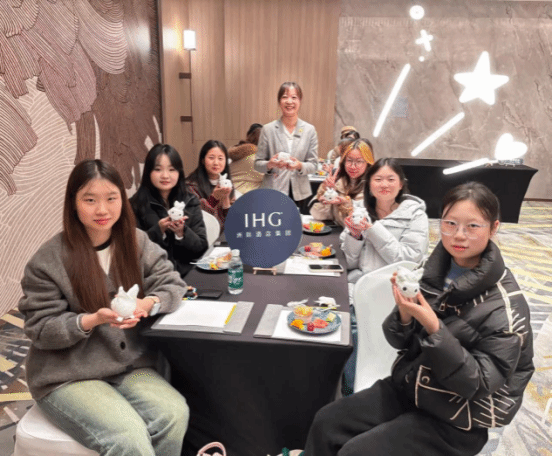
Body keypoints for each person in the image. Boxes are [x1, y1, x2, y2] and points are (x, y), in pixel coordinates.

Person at [303, 181, 534, 456]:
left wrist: (434, 327)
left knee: (357, 452)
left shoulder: (507, 308)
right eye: (450, 223)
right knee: (326, 422)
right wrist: (404, 314)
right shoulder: (432, 272)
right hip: (412, 388)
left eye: (473, 226)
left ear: (494, 228)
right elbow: (400, 343)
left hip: (458, 417)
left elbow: (478, 384)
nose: (459, 235)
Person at [19, 159, 190, 456]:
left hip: (128, 366)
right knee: (127, 437)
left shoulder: (136, 242)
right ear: (73, 204)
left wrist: (147, 303)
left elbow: (173, 285)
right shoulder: (49, 260)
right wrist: (91, 320)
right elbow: (41, 329)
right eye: (90, 200)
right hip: (67, 375)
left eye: (111, 198)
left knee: (174, 413)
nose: (102, 210)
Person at [342, 157, 429, 283]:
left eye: (391, 179)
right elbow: (348, 263)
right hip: (359, 284)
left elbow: (408, 261)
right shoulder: (359, 212)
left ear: (400, 184)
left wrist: (373, 231)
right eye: (378, 179)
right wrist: (355, 237)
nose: (384, 185)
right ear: (369, 184)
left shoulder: (415, 215)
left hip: (395, 287)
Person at [131, 144, 208, 277]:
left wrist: (182, 233)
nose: (165, 176)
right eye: (158, 169)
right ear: (148, 172)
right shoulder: (135, 205)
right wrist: (158, 231)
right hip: (155, 277)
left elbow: (201, 249)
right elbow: (133, 251)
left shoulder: (190, 201)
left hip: (188, 276)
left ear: (179, 173)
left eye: (172, 169)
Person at [254, 81, 318, 213]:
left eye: (294, 97)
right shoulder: (268, 129)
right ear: (279, 101)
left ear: (300, 101)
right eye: (285, 97)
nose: (289, 101)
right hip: (273, 191)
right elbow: (257, 164)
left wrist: (299, 165)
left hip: (299, 194)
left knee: (297, 225)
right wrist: (270, 164)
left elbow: (314, 165)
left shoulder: (309, 130)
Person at [310, 139, 374, 227]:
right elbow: (317, 215)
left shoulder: (372, 187)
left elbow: (360, 224)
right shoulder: (337, 181)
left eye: (359, 161)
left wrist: (345, 204)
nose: (352, 166)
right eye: (349, 160)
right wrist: (326, 192)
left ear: (368, 163)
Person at [187, 140, 236, 231]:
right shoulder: (191, 186)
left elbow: (232, 223)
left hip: (224, 237)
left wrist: (226, 200)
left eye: (220, 158)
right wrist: (214, 198)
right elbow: (196, 219)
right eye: (211, 158)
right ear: (202, 160)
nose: (216, 163)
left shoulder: (228, 184)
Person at [228, 123, 264, 194]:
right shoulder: (253, 159)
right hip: (241, 196)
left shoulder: (240, 152)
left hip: (234, 193)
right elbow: (272, 177)